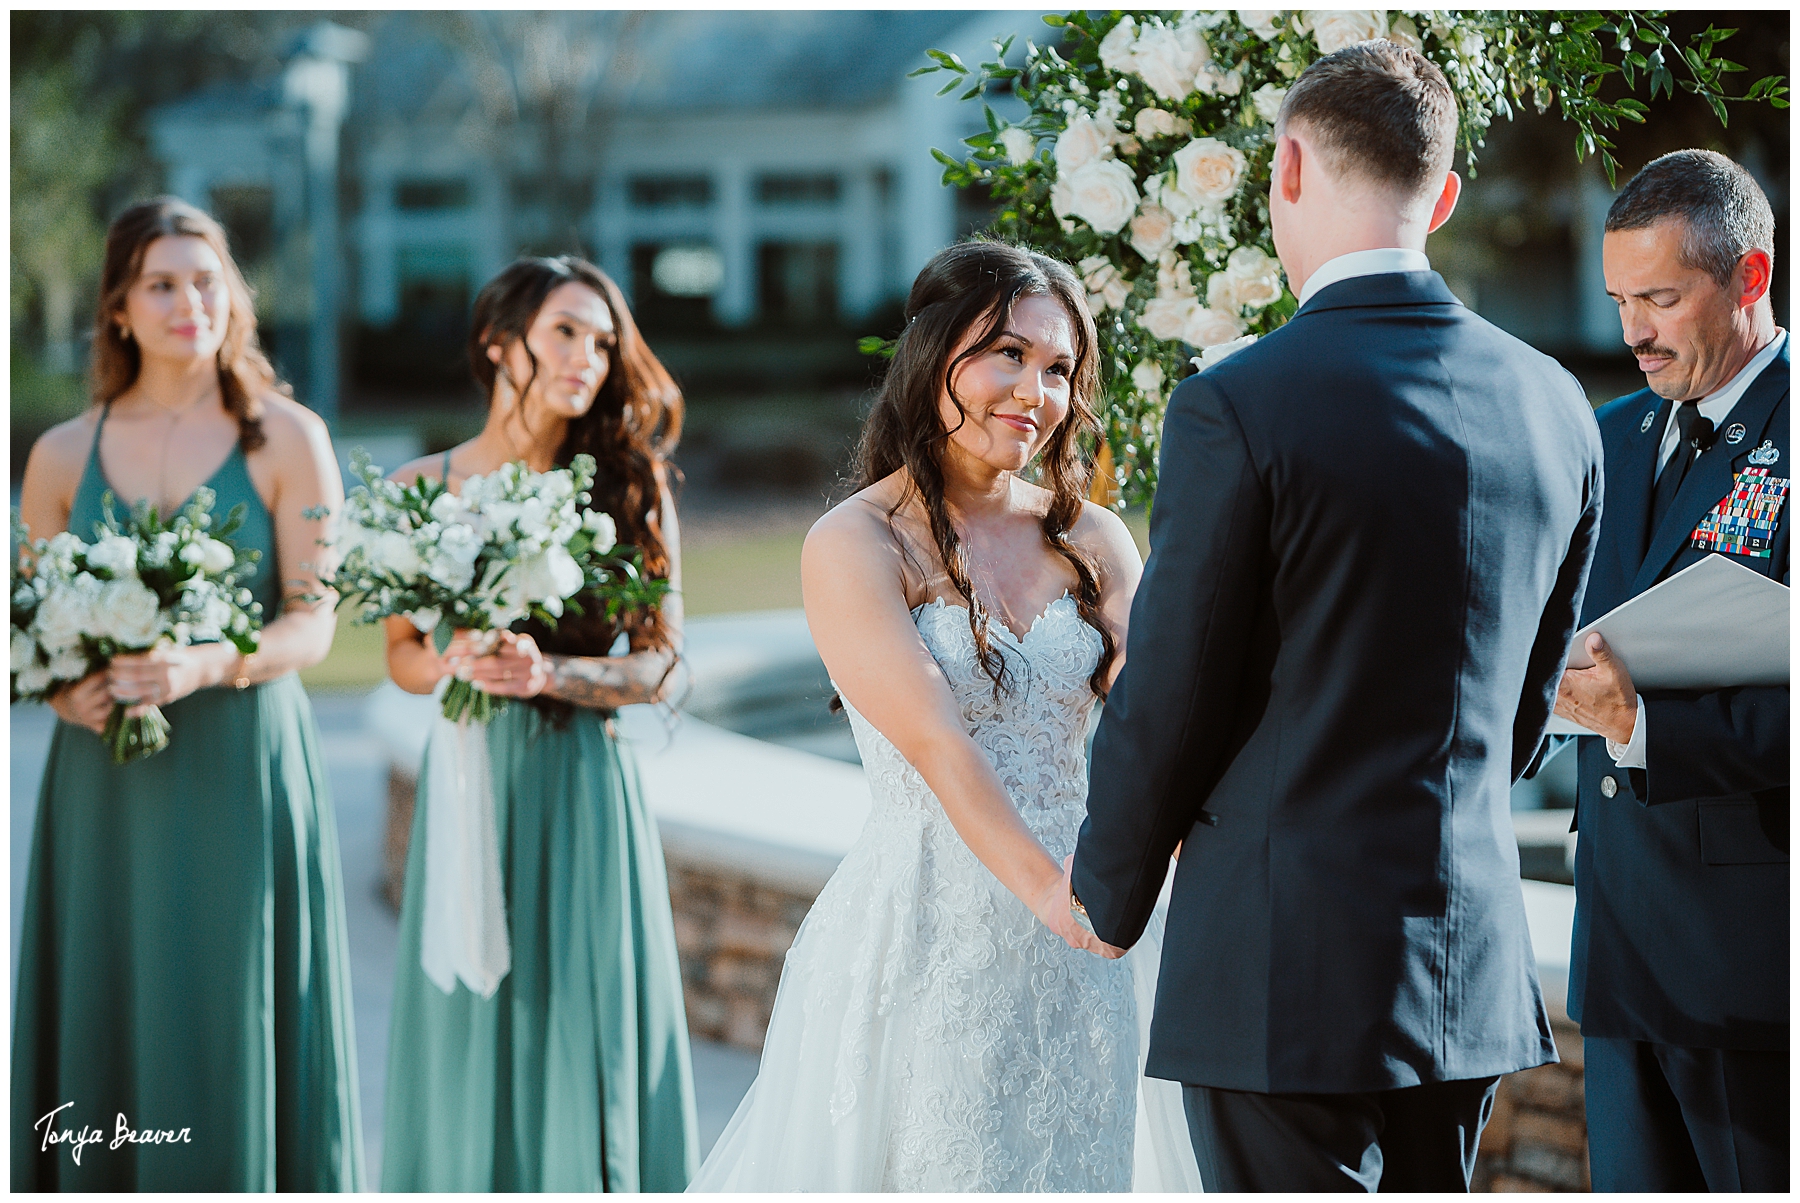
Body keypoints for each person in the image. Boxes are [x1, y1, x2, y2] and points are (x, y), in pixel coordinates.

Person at [1070, 41, 1605, 1192]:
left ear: (1289, 169)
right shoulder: (1558, 406)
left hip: (1283, 972)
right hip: (1463, 963)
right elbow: (1525, 715)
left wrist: (1105, 898)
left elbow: (1174, 690)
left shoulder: (1239, 404)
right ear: (1443, 195)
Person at [690, 239, 1201, 1192]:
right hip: (932, 928)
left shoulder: (1093, 538)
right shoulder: (854, 542)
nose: (1035, 390)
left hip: (1096, 930)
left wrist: (1150, 873)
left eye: (1058, 368)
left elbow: (1159, 718)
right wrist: (1049, 893)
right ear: (933, 359)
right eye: (1007, 353)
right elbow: (936, 740)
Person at [11, 198, 361, 1190]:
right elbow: (35, 630)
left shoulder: (289, 440)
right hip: (105, 783)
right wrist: (58, 693)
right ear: (118, 307)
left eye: (206, 281)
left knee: (232, 993)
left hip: (241, 765)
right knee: (109, 993)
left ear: (234, 298)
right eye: (161, 284)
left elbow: (315, 621)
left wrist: (207, 662)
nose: (188, 303)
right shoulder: (58, 457)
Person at [378, 256, 698, 1191]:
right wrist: (449, 662)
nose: (590, 357)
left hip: (583, 787)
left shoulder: (629, 485)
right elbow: (400, 654)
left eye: (603, 341)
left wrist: (548, 670)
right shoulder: (419, 488)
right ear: (498, 343)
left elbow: (663, 663)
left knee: (579, 1011)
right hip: (471, 775)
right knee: (469, 1007)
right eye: (566, 331)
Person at [1551, 149, 1787, 1192]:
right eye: (1618, 299)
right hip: (1620, 944)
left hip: (1752, 960)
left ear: (1749, 277)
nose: (1631, 331)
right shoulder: (1607, 438)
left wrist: (1641, 724)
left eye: (1660, 297)